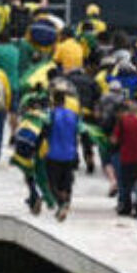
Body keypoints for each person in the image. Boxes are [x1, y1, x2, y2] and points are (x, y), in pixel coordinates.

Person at [44, 90, 81, 221]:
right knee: (67, 182)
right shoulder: (74, 115)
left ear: (54, 101)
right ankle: (65, 204)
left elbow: (45, 131)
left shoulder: (51, 114)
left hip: (53, 154)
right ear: (64, 101)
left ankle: (62, 204)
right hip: (70, 154)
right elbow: (80, 132)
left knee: (52, 184)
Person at [112, 99, 137, 215]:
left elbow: (114, 140)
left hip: (126, 157)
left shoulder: (122, 121)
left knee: (125, 184)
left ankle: (126, 207)